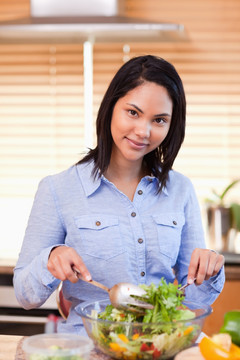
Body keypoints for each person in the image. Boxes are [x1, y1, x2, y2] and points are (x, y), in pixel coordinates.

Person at [13, 55, 225, 334]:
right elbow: (25, 296)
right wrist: (50, 259)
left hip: (158, 346)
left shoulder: (180, 190)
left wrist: (210, 269)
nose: (143, 131)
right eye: (133, 112)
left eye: (159, 120)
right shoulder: (57, 189)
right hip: (86, 348)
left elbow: (193, 298)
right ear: (111, 107)